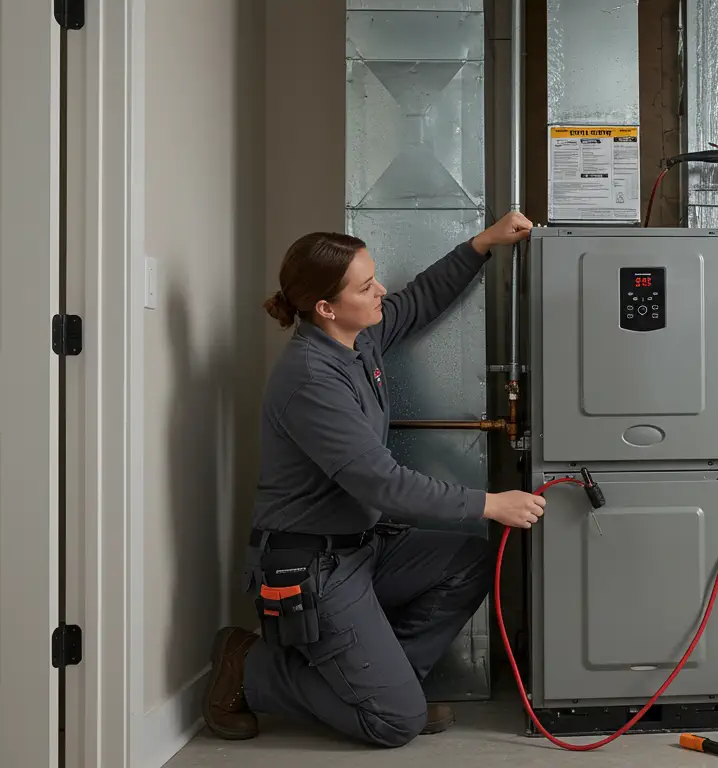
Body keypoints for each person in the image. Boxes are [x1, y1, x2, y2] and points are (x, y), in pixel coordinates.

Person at [201, 211, 548, 748]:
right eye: (366, 286)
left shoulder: (356, 339)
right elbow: (382, 484)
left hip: (361, 548)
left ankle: (386, 687)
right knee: (393, 724)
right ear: (325, 307)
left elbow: (417, 301)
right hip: (312, 565)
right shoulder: (312, 379)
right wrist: (489, 502)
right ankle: (250, 666)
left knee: (468, 560)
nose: (381, 290)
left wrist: (484, 242)